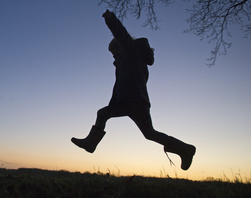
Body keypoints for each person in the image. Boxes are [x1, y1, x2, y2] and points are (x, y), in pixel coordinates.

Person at [71, 9, 196, 170]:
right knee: (149, 133)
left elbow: (121, 35)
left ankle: (90, 144)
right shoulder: (131, 62)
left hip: (133, 100)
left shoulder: (131, 54)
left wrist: (111, 20)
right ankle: (185, 149)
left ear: (122, 48)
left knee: (103, 114)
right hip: (134, 101)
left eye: (115, 52)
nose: (114, 56)